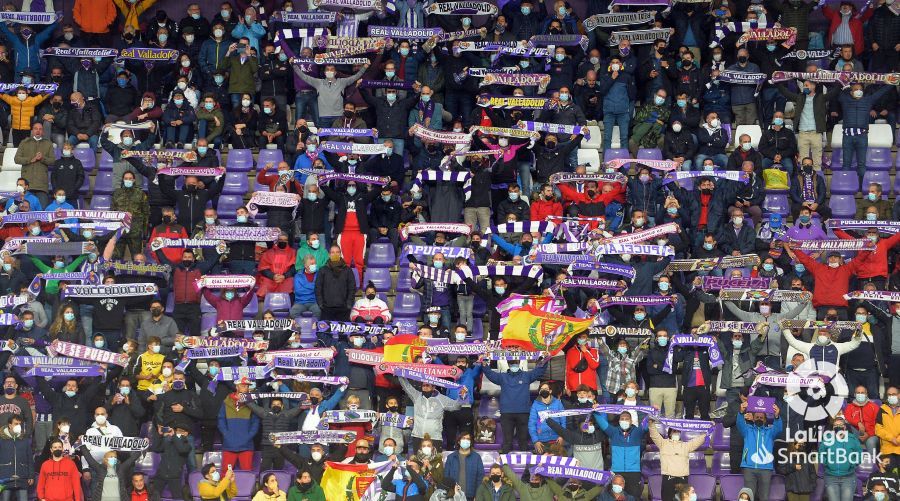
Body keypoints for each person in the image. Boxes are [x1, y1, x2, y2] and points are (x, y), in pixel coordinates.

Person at [648, 418, 707, 501]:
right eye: (674, 431)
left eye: (678, 431)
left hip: (682, 479)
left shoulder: (686, 445)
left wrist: (708, 430)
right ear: (670, 433)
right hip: (668, 478)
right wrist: (651, 423)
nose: (676, 433)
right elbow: (654, 435)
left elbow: (698, 441)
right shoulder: (663, 443)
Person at [737, 400, 783, 501]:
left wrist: (776, 416)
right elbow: (739, 424)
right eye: (757, 417)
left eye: (761, 418)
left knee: (764, 497)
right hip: (749, 467)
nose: (759, 419)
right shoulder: (747, 430)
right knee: (748, 498)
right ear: (753, 419)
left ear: (765, 420)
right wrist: (741, 412)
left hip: (765, 468)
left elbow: (779, 429)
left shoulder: (770, 432)